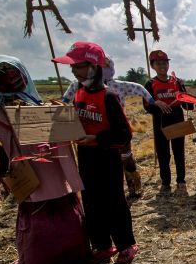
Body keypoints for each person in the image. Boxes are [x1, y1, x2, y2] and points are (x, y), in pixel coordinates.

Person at [0, 55, 90, 264]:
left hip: (30, 177)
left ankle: (42, 263)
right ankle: (74, 255)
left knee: (39, 221)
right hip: (55, 175)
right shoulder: (39, 107)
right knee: (64, 215)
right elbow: (67, 143)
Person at [53, 42, 138, 264]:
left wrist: (98, 138)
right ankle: (101, 244)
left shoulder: (108, 97)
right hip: (85, 155)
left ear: (93, 66)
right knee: (91, 201)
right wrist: (62, 117)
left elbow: (124, 133)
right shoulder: (79, 93)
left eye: (78, 66)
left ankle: (126, 245)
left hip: (107, 156)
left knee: (114, 200)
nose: (74, 71)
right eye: (72, 67)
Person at [62, 55, 171, 196]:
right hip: (89, 135)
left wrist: (152, 101)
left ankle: (133, 186)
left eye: (107, 66)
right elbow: (64, 102)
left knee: (126, 158)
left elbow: (139, 89)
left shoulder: (118, 86)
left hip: (117, 130)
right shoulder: (78, 86)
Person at [144, 50, 191, 192]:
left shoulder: (177, 82)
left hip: (177, 118)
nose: (163, 66)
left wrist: (183, 95)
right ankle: (165, 182)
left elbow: (188, 106)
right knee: (163, 153)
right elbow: (147, 106)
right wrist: (157, 104)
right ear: (152, 66)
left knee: (179, 151)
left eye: (165, 62)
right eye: (158, 63)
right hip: (161, 120)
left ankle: (181, 180)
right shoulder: (150, 84)